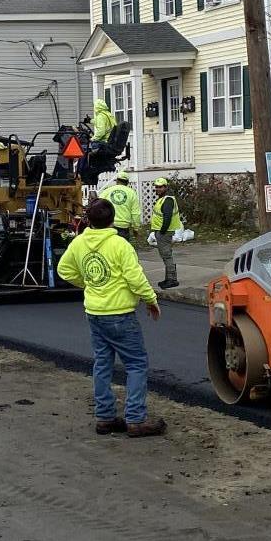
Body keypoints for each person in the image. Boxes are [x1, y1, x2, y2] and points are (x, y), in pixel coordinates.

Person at [58, 198, 164, 437]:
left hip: (94, 313)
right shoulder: (119, 245)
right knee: (136, 364)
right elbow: (135, 278)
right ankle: (136, 419)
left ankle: (105, 417)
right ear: (112, 219)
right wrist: (150, 300)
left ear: (89, 220)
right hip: (120, 314)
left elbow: (63, 269)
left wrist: (88, 283)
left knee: (102, 363)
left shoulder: (79, 242)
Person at [149, 175, 184, 289]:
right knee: (165, 256)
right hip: (161, 232)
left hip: (164, 232)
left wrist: (162, 231)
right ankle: (168, 278)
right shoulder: (163, 199)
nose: (158, 189)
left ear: (165, 188)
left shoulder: (167, 200)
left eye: (160, 187)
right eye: (157, 187)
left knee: (167, 256)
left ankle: (172, 279)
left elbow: (167, 217)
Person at [98, 170, 141, 245]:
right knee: (121, 249)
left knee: (108, 248)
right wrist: (136, 228)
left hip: (108, 224)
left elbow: (98, 205)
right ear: (127, 182)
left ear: (117, 180)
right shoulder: (132, 193)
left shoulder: (107, 191)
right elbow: (135, 213)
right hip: (123, 227)